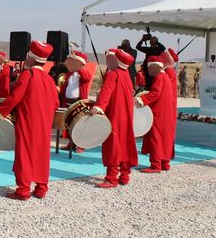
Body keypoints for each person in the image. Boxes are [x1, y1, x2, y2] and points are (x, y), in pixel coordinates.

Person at [0, 40, 59, 200]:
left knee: (25, 154)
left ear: (32, 58)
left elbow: (15, 97)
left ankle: (23, 190)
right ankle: (41, 189)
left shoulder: (28, 75)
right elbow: (56, 103)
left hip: (28, 121)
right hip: (44, 123)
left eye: (27, 56)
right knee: (42, 154)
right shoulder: (49, 79)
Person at [90, 49, 138, 188]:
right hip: (126, 116)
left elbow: (106, 92)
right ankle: (124, 175)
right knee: (124, 144)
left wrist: (99, 107)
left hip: (114, 115)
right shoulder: (126, 75)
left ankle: (111, 178)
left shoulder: (113, 74)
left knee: (113, 145)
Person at [136, 55, 174, 173]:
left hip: (158, 112)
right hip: (165, 111)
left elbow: (155, 93)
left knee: (155, 137)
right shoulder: (165, 76)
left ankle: (155, 165)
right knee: (164, 137)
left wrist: (140, 100)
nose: (149, 71)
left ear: (155, 66)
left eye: (150, 68)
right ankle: (165, 162)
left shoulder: (159, 77)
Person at [60, 50, 92, 153]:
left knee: (79, 124)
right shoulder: (70, 74)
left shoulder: (83, 73)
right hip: (68, 102)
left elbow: (87, 77)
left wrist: (78, 66)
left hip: (78, 101)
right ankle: (71, 143)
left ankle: (80, 145)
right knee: (69, 124)